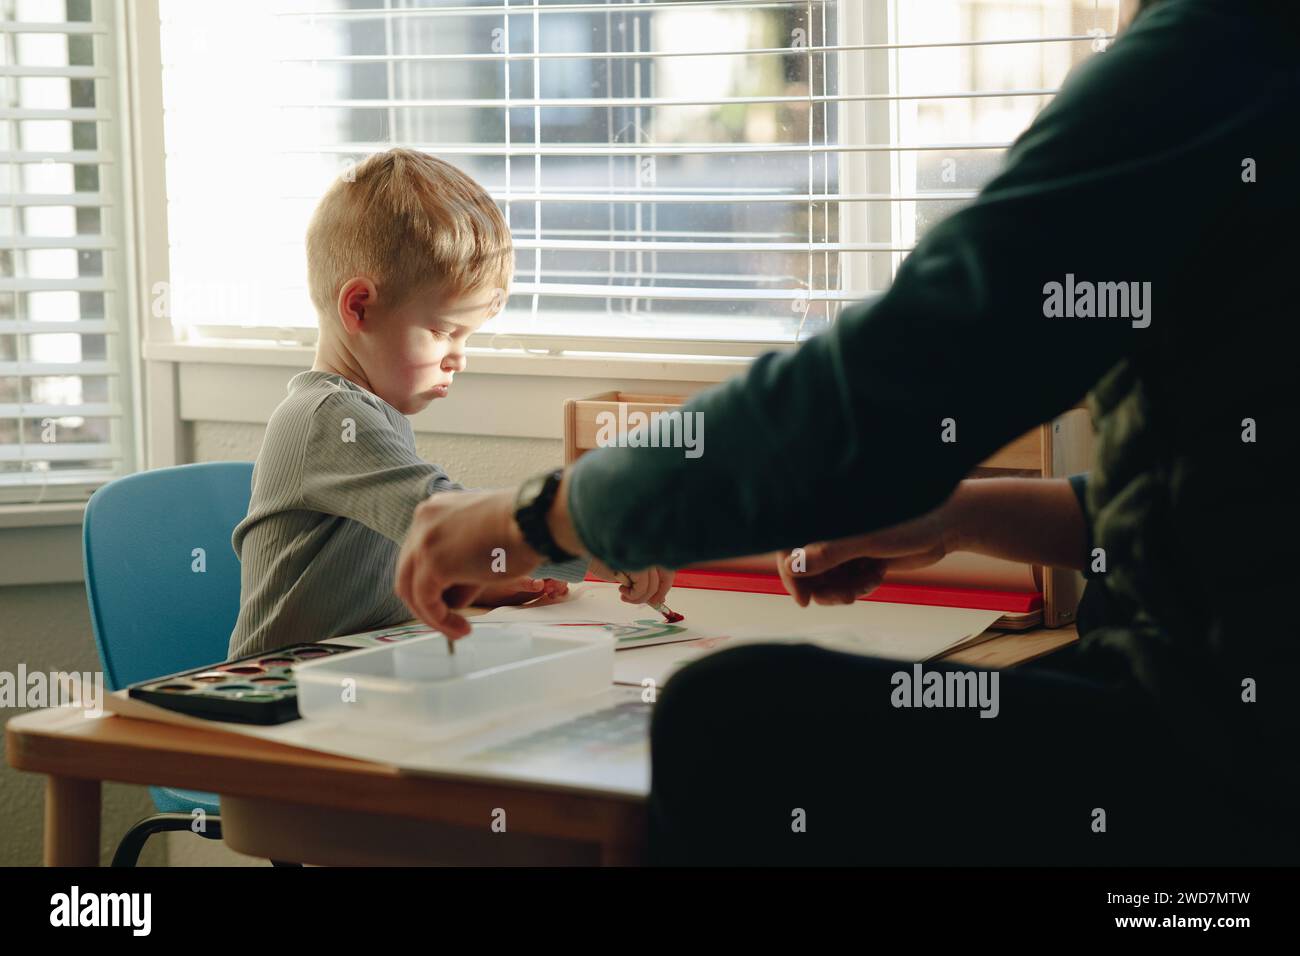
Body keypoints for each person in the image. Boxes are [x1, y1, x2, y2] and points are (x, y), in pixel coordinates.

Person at [394, 0, 1300, 863]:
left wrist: (538, 515)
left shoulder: (1216, 57)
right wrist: (956, 516)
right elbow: (1209, 518)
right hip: (1210, 720)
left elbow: (892, 382)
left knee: (734, 721)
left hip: (1227, 767)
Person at [229, 149, 673, 659]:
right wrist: (582, 535)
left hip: (355, 669)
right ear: (359, 307)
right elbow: (440, 515)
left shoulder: (370, 412)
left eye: (467, 336)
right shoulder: (331, 418)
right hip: (276, 687)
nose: (459, 358)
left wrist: (477, 582)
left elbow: (374, 563)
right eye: (444, 331)